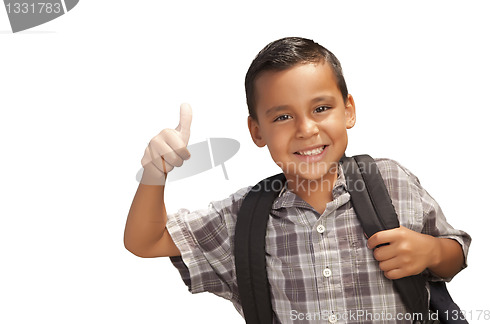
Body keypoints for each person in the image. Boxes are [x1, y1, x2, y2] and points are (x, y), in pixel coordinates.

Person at [124, 37, 471, 323]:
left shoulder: (390, 181)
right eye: (283, 116)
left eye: (321, 109)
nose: (306, 129)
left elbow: (455, 251)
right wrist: (155, 173)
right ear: (257, 131)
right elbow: (147, 241)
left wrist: (432, 251)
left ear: (348, 110)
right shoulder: (243, 218)